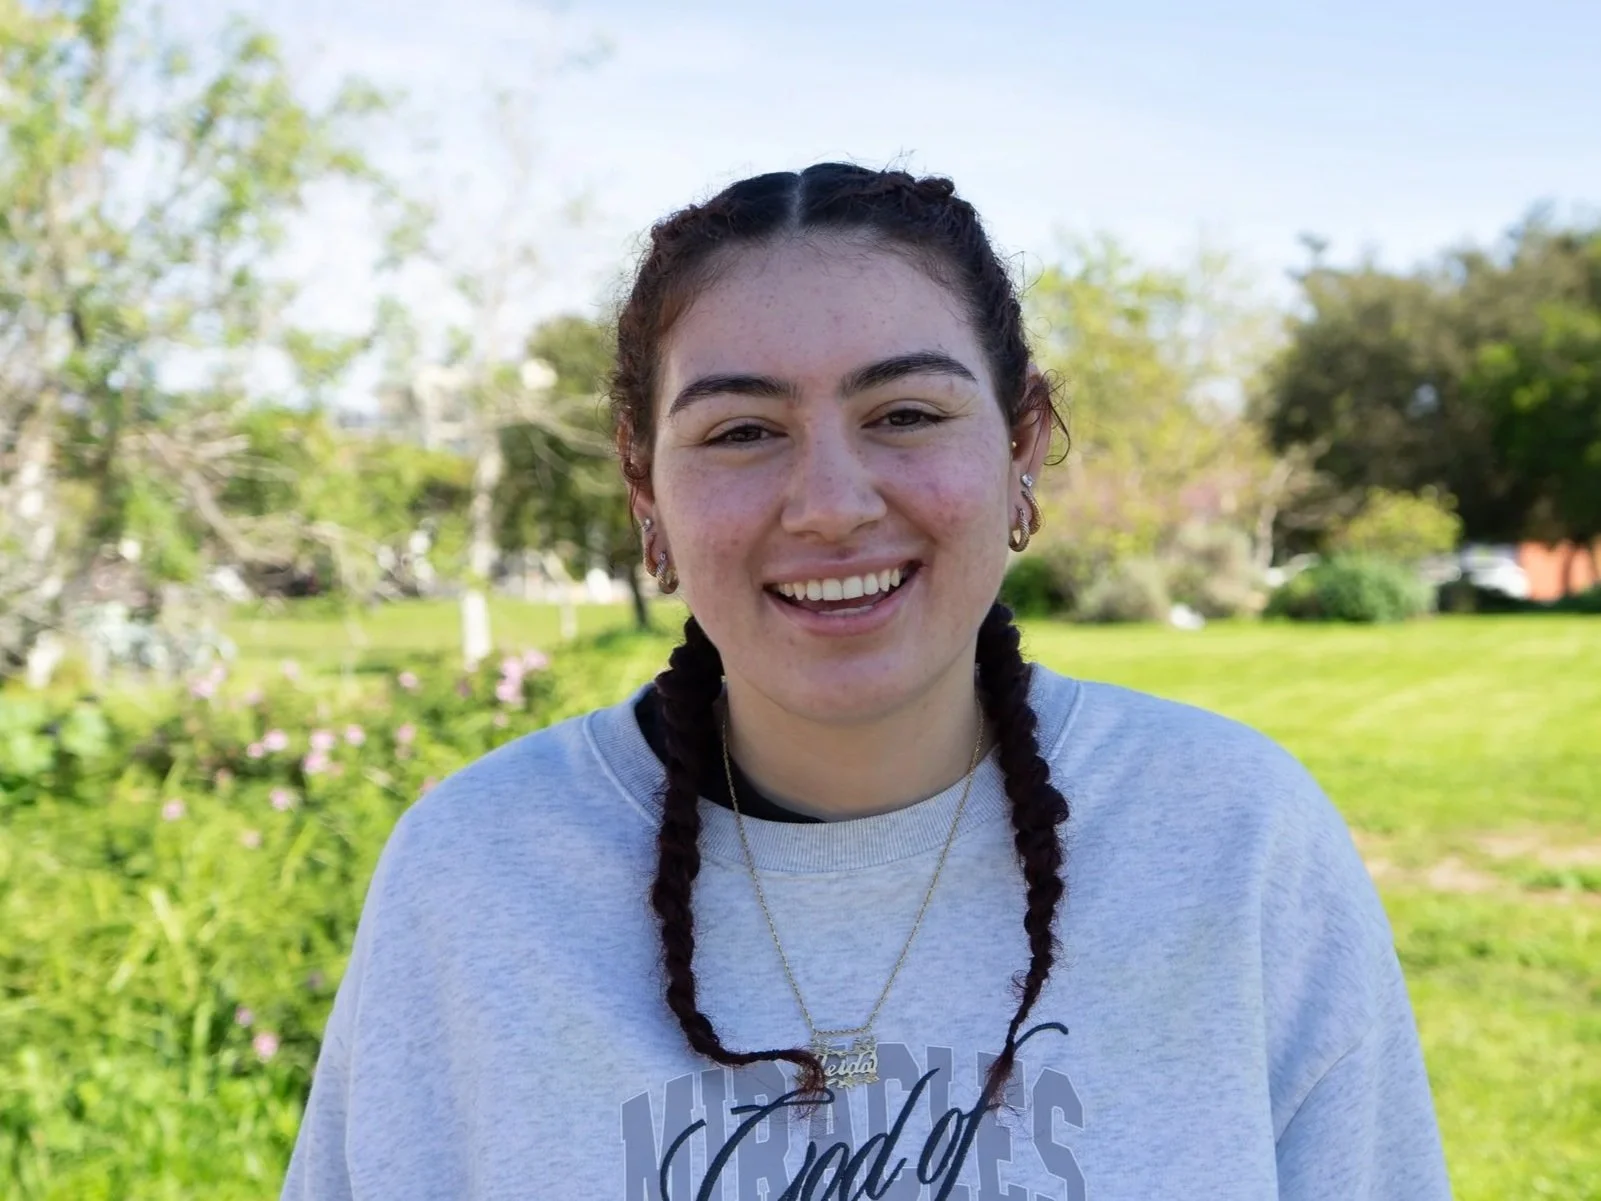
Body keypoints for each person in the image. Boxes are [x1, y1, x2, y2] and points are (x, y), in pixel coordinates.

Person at [282, 164, 1452, 1200]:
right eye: (741, 431)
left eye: (903, 414)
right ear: (646, 490)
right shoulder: (477, 874)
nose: (832, 504)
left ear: (1019, 449)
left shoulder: (1234, 842)